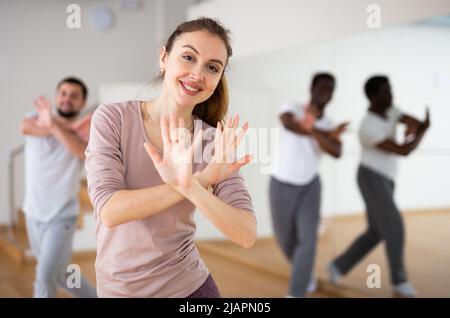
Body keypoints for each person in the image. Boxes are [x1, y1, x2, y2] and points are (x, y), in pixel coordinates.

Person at [85, 18, 256, 298]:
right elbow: (110, 211)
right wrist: (197, 181)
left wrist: (192, 187)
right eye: (188, 57)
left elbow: (246, 234)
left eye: (212, 67)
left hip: (190, 289)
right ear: (164, 57)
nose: (197, 74)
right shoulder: (113, 118)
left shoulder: (213, 142)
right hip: (118, 290)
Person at [328, 75, 430, 297]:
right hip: (370, 178)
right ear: (373, 96)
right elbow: (404, 150)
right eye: (386, 91)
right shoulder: (367, 127)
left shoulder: (392, 110)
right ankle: (400, 282)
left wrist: (414, 126)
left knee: (376, 232)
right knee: (394, 225)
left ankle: (337, 266)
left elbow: (408, 120)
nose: (391, 95)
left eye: (390, 90)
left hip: (387, 179)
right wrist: (421, 131)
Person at [269, 73, 348, 297]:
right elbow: (289, 124)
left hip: (310, 187)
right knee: (284, 239)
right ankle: (306, 276)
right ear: (311, 88)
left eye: (330, 89)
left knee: (308, 241)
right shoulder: (292, 108)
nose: (325, 92)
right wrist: (323, 134)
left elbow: (337, 151)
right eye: (322, 87)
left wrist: (319, 131)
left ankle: (296, 291)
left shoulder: (329, 123)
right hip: (280, 184)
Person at [20, 77, 97, 298]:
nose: (67, 99)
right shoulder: (34, 117)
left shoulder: (85, 131)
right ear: (56, 97)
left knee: (44, 278)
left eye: (74, 95)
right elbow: (25, 127)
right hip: (33, 213)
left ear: (83, 103)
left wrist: (53, 125)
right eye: (63, 93)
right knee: (62, 274)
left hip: (61, 216)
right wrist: (59, 126)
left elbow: (81, 151)